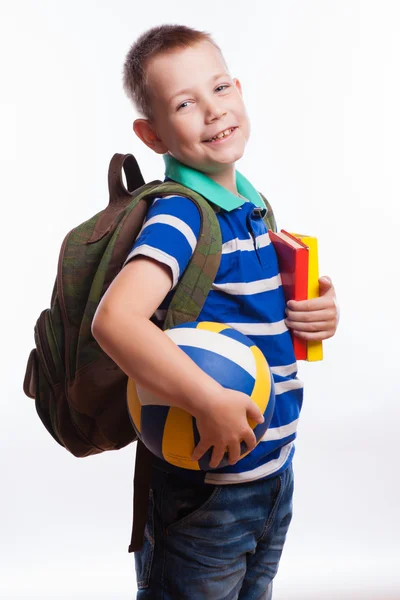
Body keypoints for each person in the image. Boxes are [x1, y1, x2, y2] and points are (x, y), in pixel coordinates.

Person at [91, 24, 338, 600]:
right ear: (151, 135)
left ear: (240, 90)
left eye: (220, 89)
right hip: (205, 488)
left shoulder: (252, 205)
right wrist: (205, 399)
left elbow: (250, 313)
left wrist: (317, 312)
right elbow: (115, 321)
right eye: (184, 103)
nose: (212, 111)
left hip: (272, 473)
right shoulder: (180, 216)